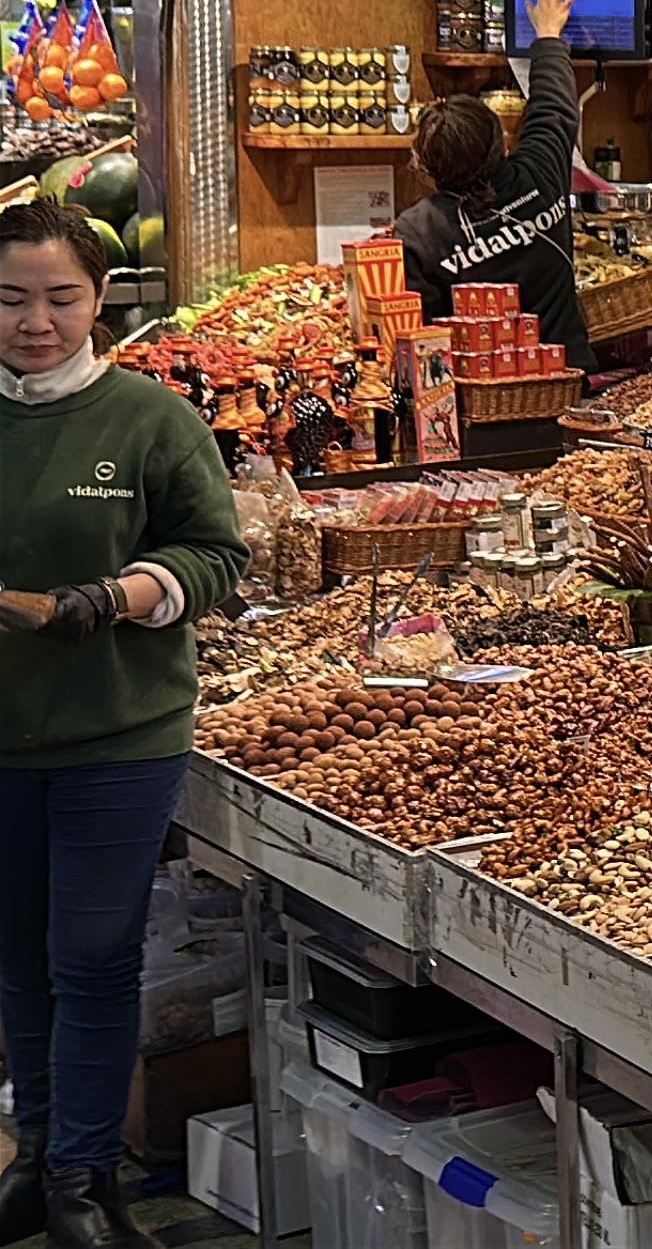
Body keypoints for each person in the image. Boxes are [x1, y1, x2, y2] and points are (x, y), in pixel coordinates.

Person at [0, 203, 248, 1249]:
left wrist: (108, 599)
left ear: (100, 298)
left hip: (119, 735)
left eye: (60, 298)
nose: (35, 322)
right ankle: (38, 1159)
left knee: (94, 960)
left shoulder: (151, 418)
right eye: (10, 299)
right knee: (18, 960)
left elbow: (216, 554)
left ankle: (86, 1179)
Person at [396, 0, 594, 371]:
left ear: (426, 167)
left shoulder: (418, 231)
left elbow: (424, 336)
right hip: (568, 380)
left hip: (482, 396)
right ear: (503, 143)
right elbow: (554, 105)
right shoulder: (540, 171)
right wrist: (549, 35)